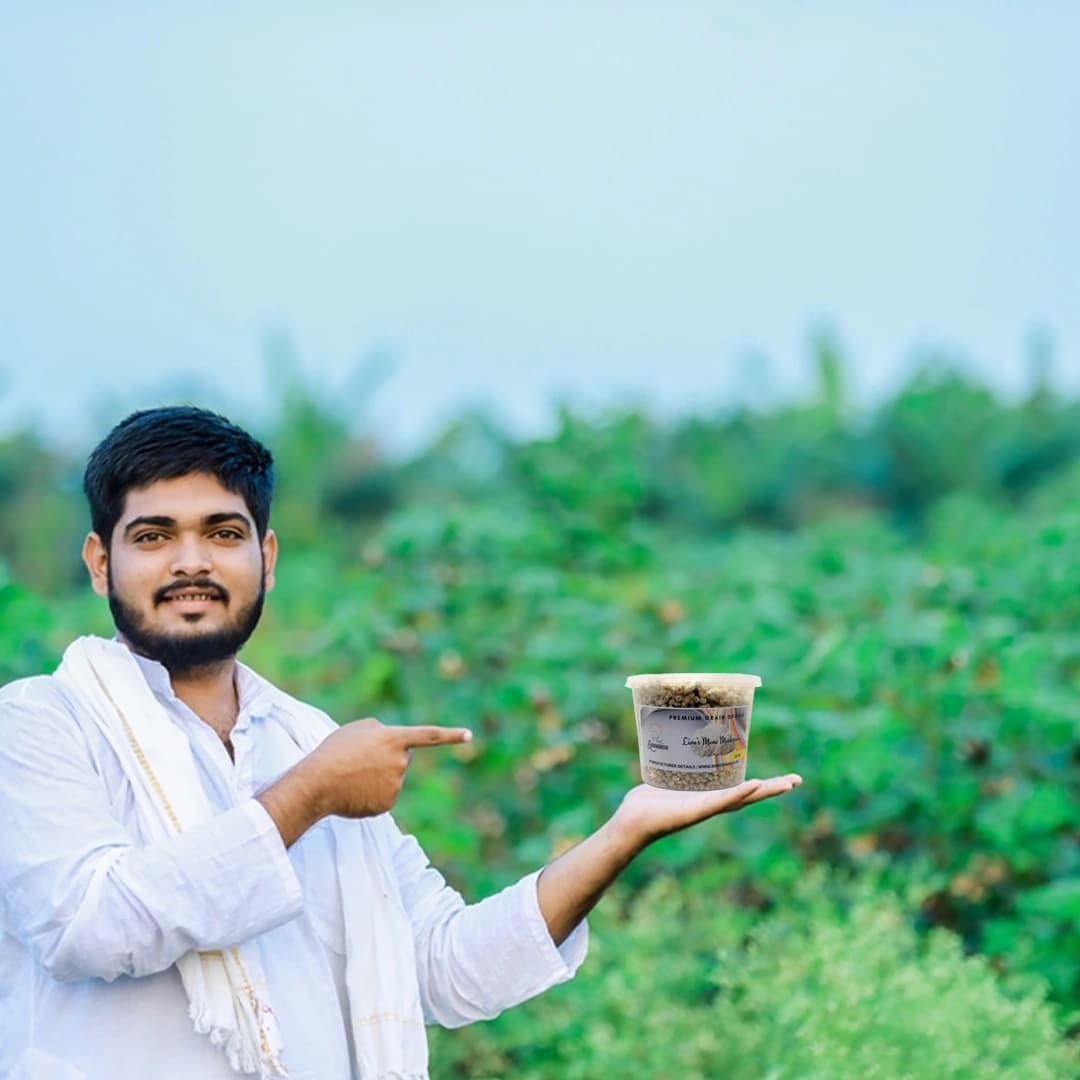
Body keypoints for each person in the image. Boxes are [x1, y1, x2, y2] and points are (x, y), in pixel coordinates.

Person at [0, 406, 802, 1080]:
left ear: (266, 558)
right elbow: (90, 926)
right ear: (101, 563)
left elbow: (442, 967)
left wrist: (624, 832)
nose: (191, 562)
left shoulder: (305, 739)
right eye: (153, 537)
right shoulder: (40, 722)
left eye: (222, 532)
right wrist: (309, 796)